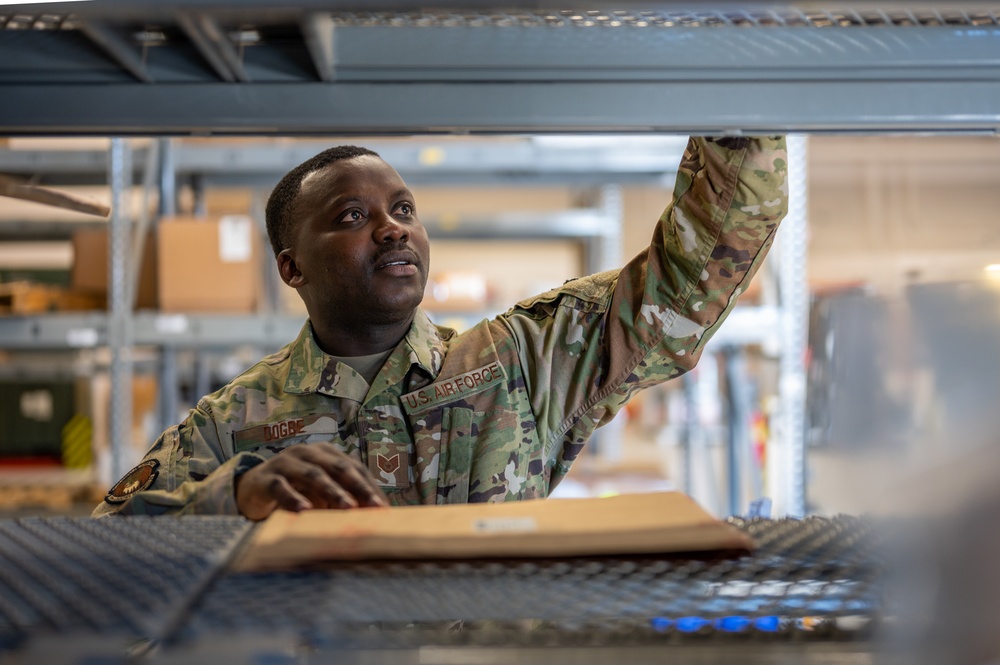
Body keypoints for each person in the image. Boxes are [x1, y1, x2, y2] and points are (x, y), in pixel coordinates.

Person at [93, 136, 788, 519]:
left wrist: (737, 113)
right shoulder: (234, 421)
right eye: (351, 216)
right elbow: (102, 550)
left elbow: (686, 281)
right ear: (291, 267)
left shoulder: (520, 360)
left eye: (402, 208)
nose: (393, 227)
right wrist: (234, 495)